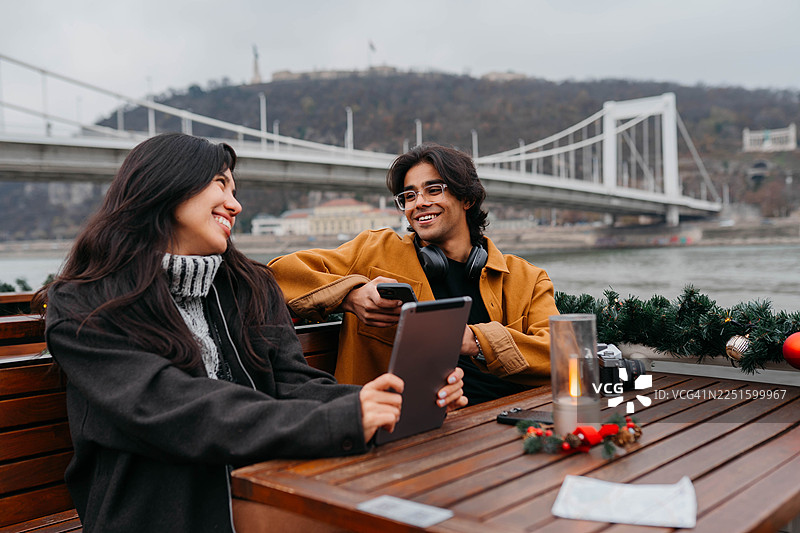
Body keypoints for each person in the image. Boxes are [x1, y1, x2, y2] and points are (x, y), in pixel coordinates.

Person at [33, 133, 466, 533]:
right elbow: (169, 407)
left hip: (264, 485)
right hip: (162, 512)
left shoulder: (248, 286)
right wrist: (342, 419)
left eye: (235, 191)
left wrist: (386, 401)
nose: (234, 204)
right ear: (165, 186)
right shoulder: (84, 303)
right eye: (220, 184)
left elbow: (295, 385)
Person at [269, 143, 558, 405]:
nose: (418, 203)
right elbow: (275, 275)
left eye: (434, 190)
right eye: (409, 196)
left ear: (467, 199)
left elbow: (562, 354)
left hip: (504, 427)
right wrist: (350, 295)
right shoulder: (374, 250)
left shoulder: (527, 278)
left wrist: (475, 340)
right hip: (402, 433)